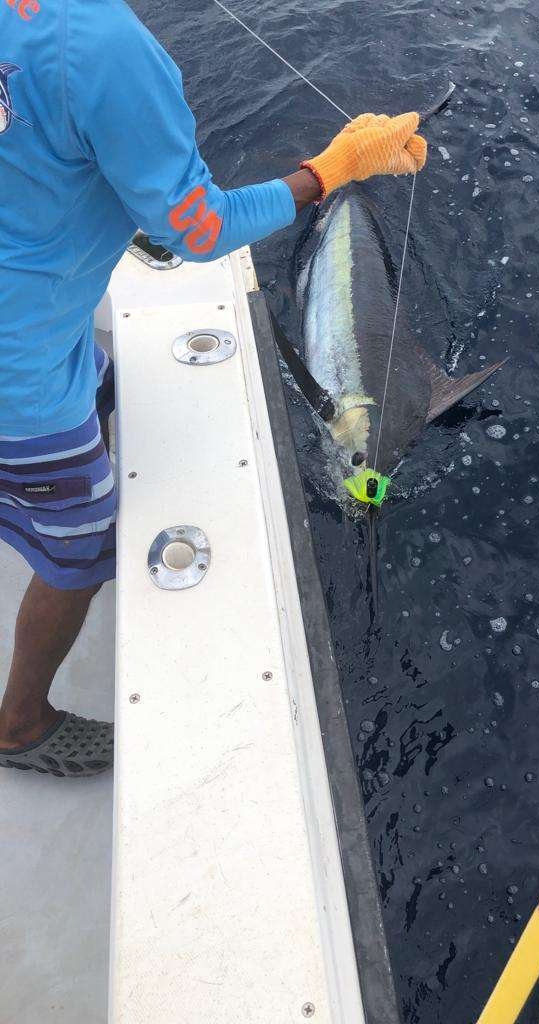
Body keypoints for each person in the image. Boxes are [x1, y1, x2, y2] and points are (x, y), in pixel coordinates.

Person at [0, 0, 427, 778]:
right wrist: (331, 172)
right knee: (83, 540)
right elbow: (198, 234)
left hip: (38, 318)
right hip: (15, 376)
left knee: (100, 379)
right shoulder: (100, 44)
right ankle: (20, 727)